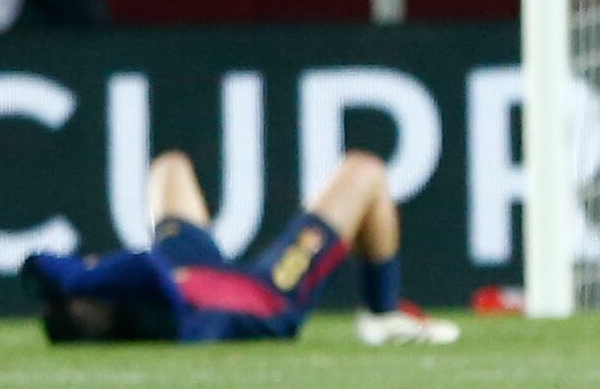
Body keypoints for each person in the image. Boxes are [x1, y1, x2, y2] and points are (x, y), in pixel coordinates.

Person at [24, 148, 458, 345]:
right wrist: (80, 275)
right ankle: (383, 315)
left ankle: (384, 315)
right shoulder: (178, 317)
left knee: (169, 166)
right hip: (266, 292)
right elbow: (128, 268)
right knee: (365, 171)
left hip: (192, 267)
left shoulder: (145, 291)